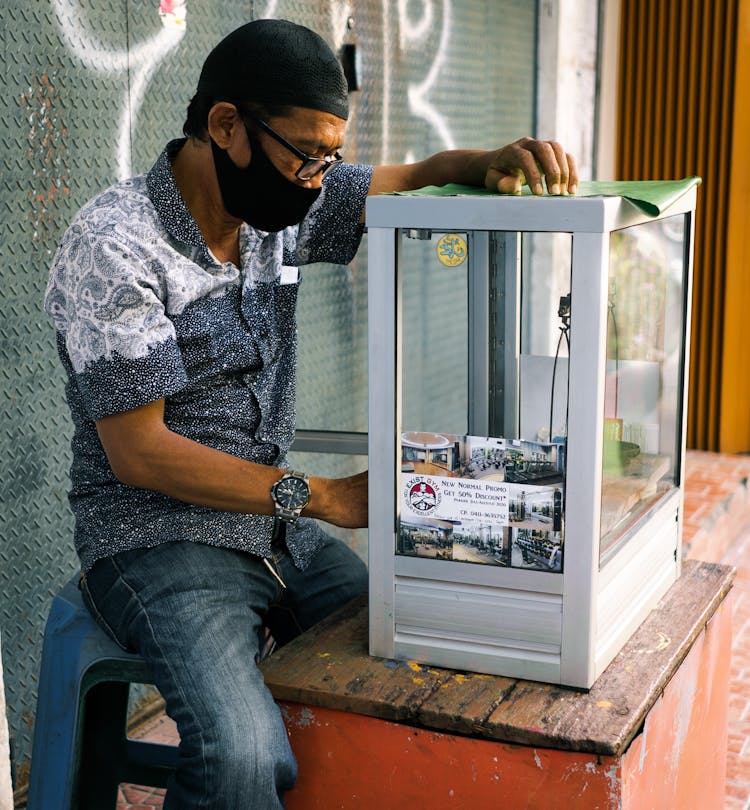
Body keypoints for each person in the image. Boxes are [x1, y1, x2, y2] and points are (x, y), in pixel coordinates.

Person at [44, 18, 577, 809]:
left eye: (330, 157)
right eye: (306, 154)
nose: (318, 179)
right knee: (241, 758)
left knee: (412, 661)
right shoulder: (116, 245)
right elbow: (142, 454)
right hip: (156, 538)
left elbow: (412, 176)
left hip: (278, 537)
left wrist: (484, 161)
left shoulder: (280, 206)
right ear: (226, 125)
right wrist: (323, 498)